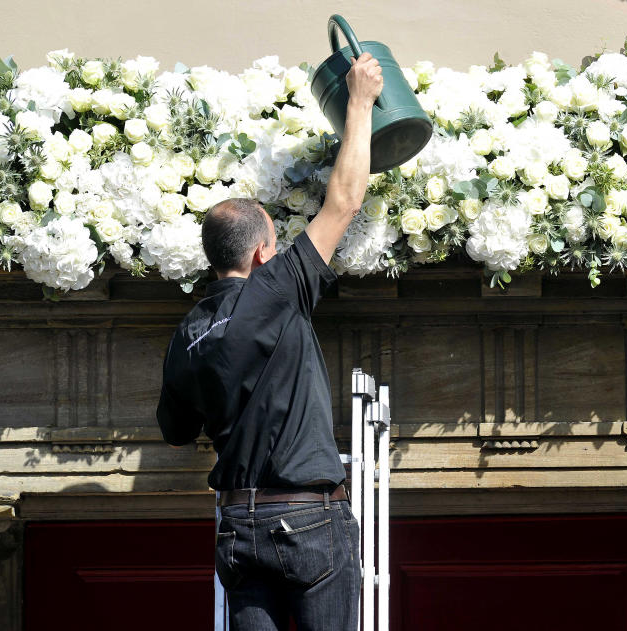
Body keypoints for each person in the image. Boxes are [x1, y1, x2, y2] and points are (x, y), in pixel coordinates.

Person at [156, 52, 384, 631]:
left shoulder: (186, 334)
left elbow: (178, 433)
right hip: (306, 522)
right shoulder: (276, 288)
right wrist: (358, 103)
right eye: (276, 243)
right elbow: (345, 201)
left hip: (239, 529)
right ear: (262, 253)